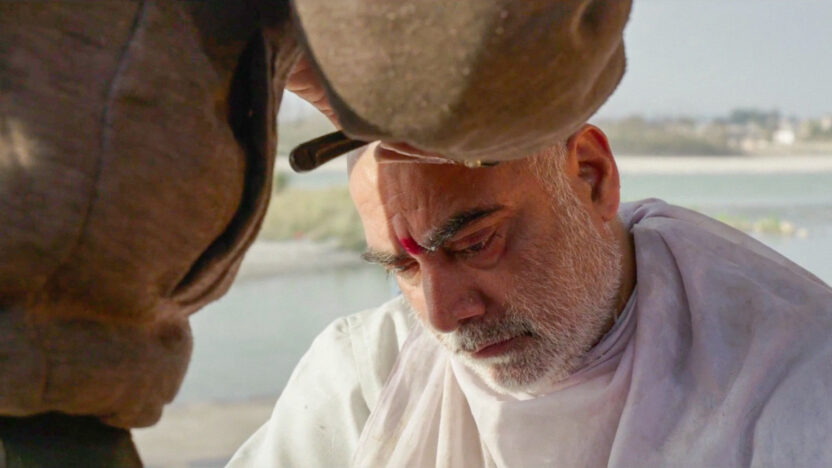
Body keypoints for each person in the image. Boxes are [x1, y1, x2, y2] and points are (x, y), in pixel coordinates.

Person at [228, 124, 832, 467]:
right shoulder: (367, 375)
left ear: (591, 177)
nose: (444, 316)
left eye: (476, 244)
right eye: (405, 268)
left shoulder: (798, 376)